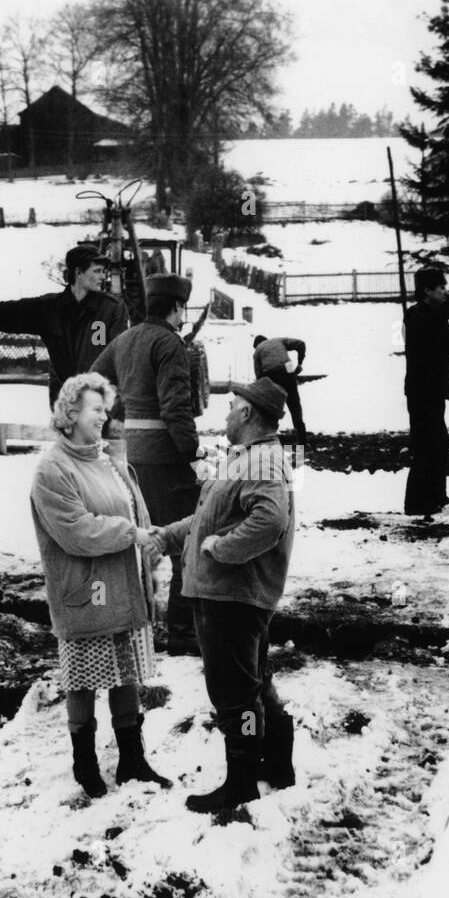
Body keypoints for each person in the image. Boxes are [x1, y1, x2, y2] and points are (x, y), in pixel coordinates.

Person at [141, 377, 297, 812]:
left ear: (247, 413)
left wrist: (222, 551)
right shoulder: (248, 458)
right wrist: (169, 536)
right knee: (252, 683)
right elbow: (208, 518)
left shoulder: (261, 461)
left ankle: (242, 781)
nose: (226, 413)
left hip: (232, 596)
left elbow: (268, 521)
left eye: (231, 406)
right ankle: (277, 765)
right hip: (231, 595)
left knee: (234, 694)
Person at [30, 372, 172, 800]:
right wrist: (130, 533)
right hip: (86, 591)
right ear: (70, 414)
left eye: (105, 409)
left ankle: (132, 760)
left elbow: (136, 511)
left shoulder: (107, 460)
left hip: (124, 588)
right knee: (84, 680)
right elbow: (76, 530)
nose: (104, 416)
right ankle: (85, 765)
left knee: (125, 673)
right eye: (96, 409)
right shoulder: (53, 469)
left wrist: (149, 545)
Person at [91, 274, 202, 656]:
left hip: (135, 454)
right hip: (169, 457)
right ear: (175, 307)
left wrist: (121, 410)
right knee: (186, 540)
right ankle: (183, 631)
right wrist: (194, 453)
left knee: (150, 536)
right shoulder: (169, 342)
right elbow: (176, 407)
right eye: (182, 308)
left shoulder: (126, 338)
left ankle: (142, 622)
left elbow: (94, 381)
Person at [0, 244, 128, 409]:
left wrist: (118, 410)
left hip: (99, 405)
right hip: (65, 403)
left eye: (103, 272)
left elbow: (121, 361)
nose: (103, 277)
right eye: (97, 271)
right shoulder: (49, 308)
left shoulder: (111, 309)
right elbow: (1, 313)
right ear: (78, 273)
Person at [403, 267, 449, 516]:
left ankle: (435, 497)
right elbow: (428, 329)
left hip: (435, 390)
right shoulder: (414, 316)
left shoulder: (437, 317)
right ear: (427, 291)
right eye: (441, 288)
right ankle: (415, 504)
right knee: (425, 446)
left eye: (446, 288)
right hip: (420, 392)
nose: (445, 292)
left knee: (439, 445)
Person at [252, 335, 308, 446]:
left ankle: (269, 438)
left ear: (257, 344)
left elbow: (259, 377)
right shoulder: (279, 341)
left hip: (271, 376)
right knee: (294, 405)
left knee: (271, 409)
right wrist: (300, 363)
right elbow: (301, 344)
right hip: (288, 371)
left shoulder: (257, 351)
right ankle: (302, 439)